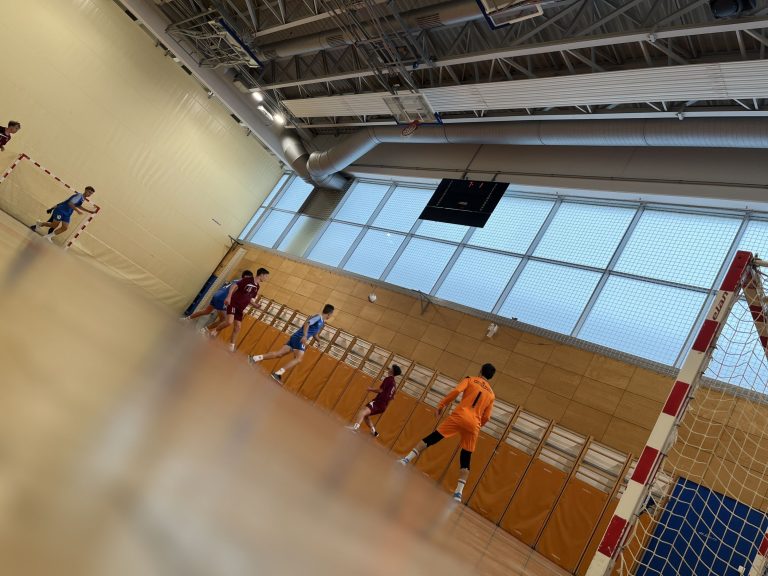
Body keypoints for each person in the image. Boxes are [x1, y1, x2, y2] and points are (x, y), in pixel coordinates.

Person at [399, 363, 496, 503]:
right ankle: (458, 493)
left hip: (460, 416)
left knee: (434, 437)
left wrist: (442, 404)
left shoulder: (470, 379)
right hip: (474, 424)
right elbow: (487, 417)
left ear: (481, 370)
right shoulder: (491, 394)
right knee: (466, 457)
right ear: (491, 377)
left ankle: (405, 460)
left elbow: (456, 391)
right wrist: (477, 426)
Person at [248, 304, 334, 384]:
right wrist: (304, 336)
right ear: (329, 314)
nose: (331, 316)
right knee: (299, 359)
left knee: (279, 354)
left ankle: (254, 358)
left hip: (296, 337)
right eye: (332, 314)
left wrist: (319, 341)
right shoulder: (318, 317)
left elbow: (314, 334)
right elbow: (307, 323)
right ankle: (278, 373)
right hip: (300, 338)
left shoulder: (322, 322)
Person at [206, 268, 269, 352]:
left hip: (240, 308)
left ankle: (231, 346)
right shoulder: (247, 280)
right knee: (229, 322)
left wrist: (256, 305)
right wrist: (228, 297)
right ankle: (214, 331)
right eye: (266, 276)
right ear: (261, 275)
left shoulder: (257, 286)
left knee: (238, 327)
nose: (267, 278)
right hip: (233, 303)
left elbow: (249, 299)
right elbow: (234, 286)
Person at [347, 364, 402, 437]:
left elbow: (380, 390)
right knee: (366, 416)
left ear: (392, 370)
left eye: (391, 368)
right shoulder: (394, 384)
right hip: (383, 406)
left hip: (378, 402)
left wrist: (371, 389)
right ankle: (374, 432)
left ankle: (355, 428)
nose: (389, 369)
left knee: (363, 411)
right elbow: (393, 397)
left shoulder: (388, 379)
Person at [30, 186, 97, 242]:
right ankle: (39, 224)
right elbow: (70, 203)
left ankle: (48, 236)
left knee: (65, 228)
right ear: (85, 190)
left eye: (91, 193)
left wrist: (89, 211)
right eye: (89, 192)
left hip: (67, 214)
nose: (89, 194)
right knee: (54, 225)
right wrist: (77, 211)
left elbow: (78, 206)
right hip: (61, 210)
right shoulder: (79, 195)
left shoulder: (83, 198)